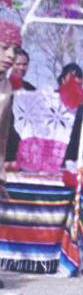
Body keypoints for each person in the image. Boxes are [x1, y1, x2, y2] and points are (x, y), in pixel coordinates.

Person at [0, 22, 20, 201]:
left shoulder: (6, 87)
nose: (10, 56)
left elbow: (2, 137)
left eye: (15, 50)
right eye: (4, 48)